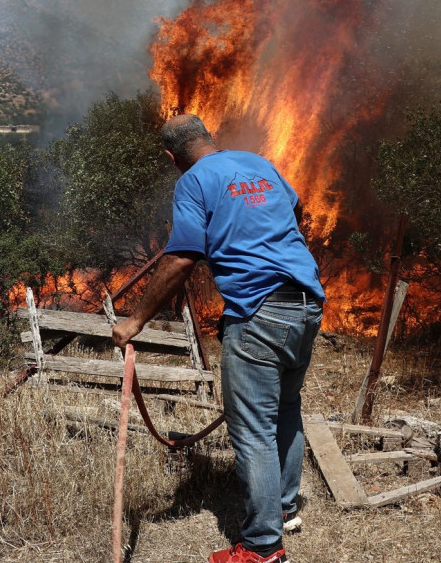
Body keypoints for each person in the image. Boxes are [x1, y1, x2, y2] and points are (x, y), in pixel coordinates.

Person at [113, 114, 325, 563]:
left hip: (258, 312)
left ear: (171, 157)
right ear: (209, 138)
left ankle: (262, 548)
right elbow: (296, 209)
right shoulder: (258, 163)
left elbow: (182, 257)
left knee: (252, 430)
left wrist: (135, 322)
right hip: (306, 303)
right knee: (287, 409)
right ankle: (285, 508)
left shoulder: (192, 181)